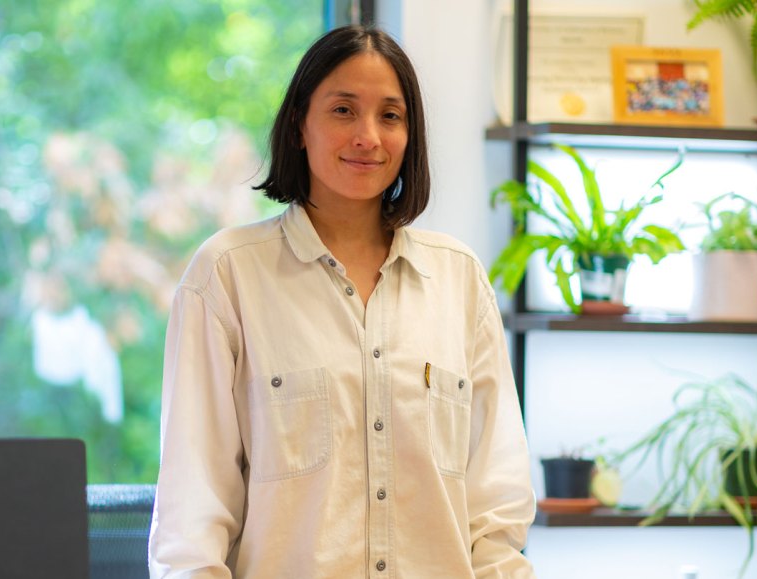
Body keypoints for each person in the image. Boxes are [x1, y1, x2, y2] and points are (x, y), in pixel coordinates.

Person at [148, 24, 536, 578]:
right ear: (298, 126)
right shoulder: (227, 275)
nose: (368, 137)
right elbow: (191, 517)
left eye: (390, 116)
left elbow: (497, 506)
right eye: (343, 111)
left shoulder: (460, 280)